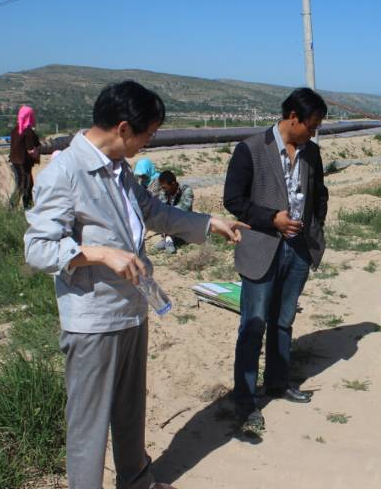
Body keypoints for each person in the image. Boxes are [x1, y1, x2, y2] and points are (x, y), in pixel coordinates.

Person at [24, 80, 247, 489]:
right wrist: (98, 253)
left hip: (130, 309)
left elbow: (154, 212)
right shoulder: (66, 173)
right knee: (89, 424)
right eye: (150, 133)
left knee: (130, 408)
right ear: (124, 128)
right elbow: (38, 248)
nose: (151, 140)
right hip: (93, 319)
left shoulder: (119, 171)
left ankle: (136, 479)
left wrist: (208, 223)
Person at [223, 88, 328, 433]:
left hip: (298, 249)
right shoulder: (250, 149)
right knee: (253, 325)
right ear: (293, 117)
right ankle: (245, 401)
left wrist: (315, 228)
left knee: (283, 321)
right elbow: (233, 200)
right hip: (262, 248)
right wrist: (272, 220)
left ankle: (278, 384)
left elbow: (319, 193)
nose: (314, 132)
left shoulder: (312, 152)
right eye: (311, 125)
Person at [155, 170, 194, 254]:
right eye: (162, 187)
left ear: (173, 184)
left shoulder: (186, 190)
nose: (163, 189)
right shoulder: (164, 192)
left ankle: (169, 239)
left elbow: (184, 209)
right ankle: (170, 238)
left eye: (165, 187)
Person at [9, 105, 41, 208]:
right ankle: (16, 209)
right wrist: (38, 152)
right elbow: (31, 150)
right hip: (23, 163)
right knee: (24, 186)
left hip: (15, 162)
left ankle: (26, 209)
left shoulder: (15, 130)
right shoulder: (28, 131)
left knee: (26, 186)